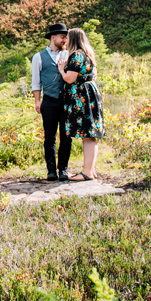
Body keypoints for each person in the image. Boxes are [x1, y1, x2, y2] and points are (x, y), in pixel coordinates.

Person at [59, 27, 105, 181]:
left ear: (73, 39)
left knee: (87, 134)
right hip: (91, 94)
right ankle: (90, 170)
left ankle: (86, 172)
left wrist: (61, 69)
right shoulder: (88, 55)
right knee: (91, 135)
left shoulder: (77, 55)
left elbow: (70, 78)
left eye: (67, 37)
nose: (65, 40)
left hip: (82, 97)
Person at [31, 23, 71, 182]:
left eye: (65, 37)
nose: (64, 40)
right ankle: (51, 170)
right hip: (49, 101)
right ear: (53, 37)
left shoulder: (68, 54)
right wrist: (37, 101)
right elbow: (36, 81)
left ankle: (63, 169)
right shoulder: (38, 57)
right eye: (62, 37)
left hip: (66, 101)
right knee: (49, 137)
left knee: (66, 136)